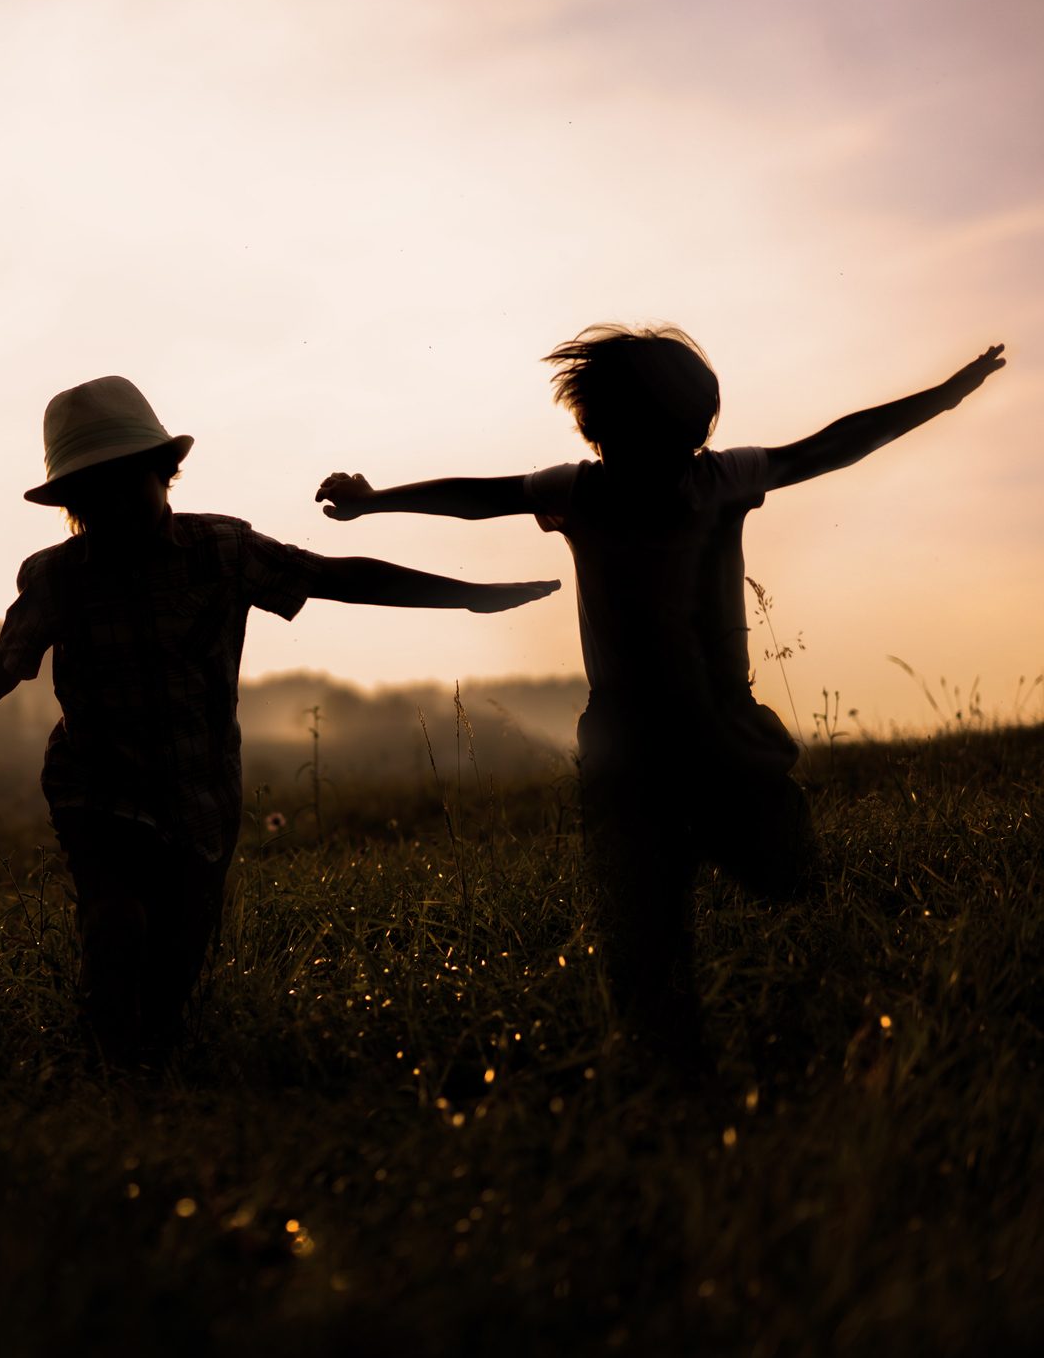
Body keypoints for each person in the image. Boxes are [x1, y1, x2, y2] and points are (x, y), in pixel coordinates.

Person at [317, 328, 1006, 1065]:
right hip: (634, 743)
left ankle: (816, 1037)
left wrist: (944, 396)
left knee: (787, 895)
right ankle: (677, 1068)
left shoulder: (692, 482)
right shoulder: (601, 488)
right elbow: (478, 498)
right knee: (647, 940)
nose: (640, 456)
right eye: (625, 437)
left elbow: (839, 442)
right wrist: (377, 502)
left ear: (685, 432)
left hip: (711, 736)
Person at [0, 376, 559, 1065]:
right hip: (96, 786)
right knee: (114, 920)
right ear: (70, 506)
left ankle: (152, 1059)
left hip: (201, 792)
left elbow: (340, 576)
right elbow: (2, 662)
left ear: (165, 473)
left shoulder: (224, 551)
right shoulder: (58, 577)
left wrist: (468, 598)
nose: (115, 508)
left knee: (177, 963)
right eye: (93, 498)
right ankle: (106, 1066)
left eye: (129, 485)